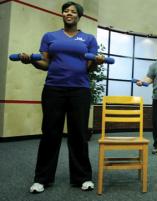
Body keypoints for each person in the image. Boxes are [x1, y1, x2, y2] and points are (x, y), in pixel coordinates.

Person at [19, 1, 104, 193]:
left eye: (73, 11)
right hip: (53, 89)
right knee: (50, 134)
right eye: (66, 11)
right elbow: (45, 63)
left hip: (79, 90)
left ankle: (83, 177)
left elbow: (88, 68)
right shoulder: (50, 37)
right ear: (63, 15)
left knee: (79, 135)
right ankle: (42, 179)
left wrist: (97, 62)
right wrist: (31, 61)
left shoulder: (88, 39)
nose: (69, 13)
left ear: (79, 16)